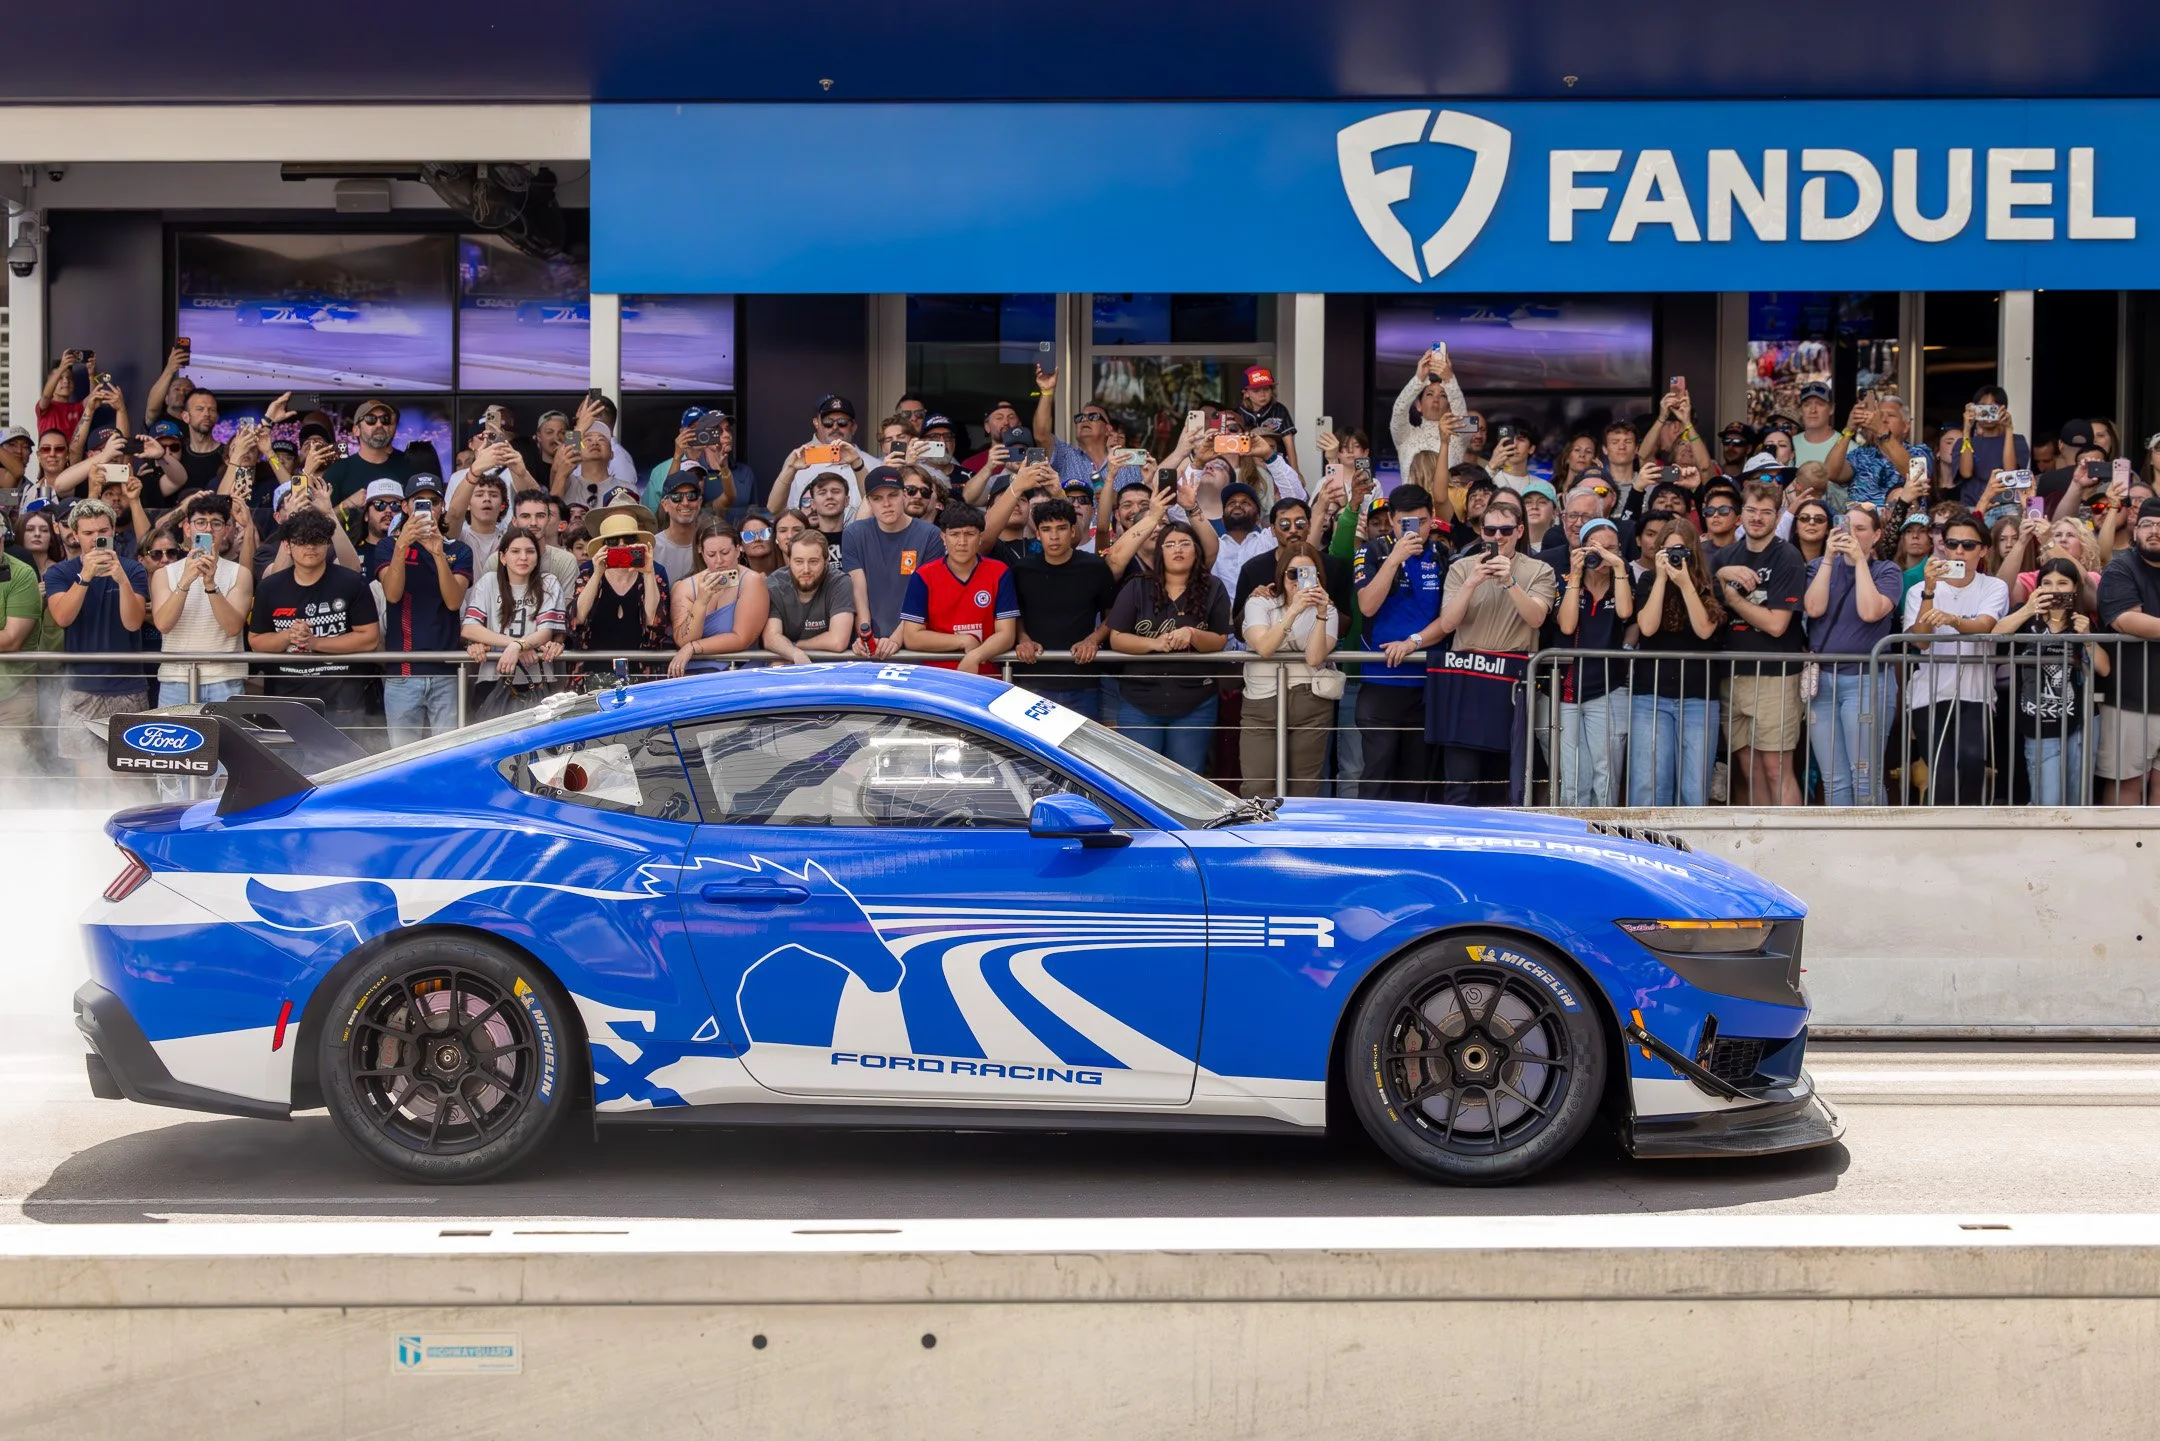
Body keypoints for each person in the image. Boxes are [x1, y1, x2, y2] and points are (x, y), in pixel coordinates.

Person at [1425, 496, 1555, 805]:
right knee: (1461, 781)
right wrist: (1471, 583)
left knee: (1504, 782)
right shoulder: (1461, 568)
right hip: (1466, 677)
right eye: (1490, 531)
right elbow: (1447, 623)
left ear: (1520, 531)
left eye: (1505, 531)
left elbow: (1536, 617)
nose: (1497, 538)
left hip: (1508, 681)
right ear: (1481, 532)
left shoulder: (1540, 570)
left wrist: (1509, 582)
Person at [1901, 510, 2011, 804]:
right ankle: (1941, 839)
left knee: (1973, 761)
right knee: (1942, 770)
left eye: (1969, 545)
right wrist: (1929, 591)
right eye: (1952, 544)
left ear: (1984, 550)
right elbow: (1921, 642)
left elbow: (1985, 625)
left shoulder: (1994, 586)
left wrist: (1952, 620)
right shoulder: (1918, 590)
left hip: (1975, 693)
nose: (1959, 551)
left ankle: (1969, 835)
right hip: (1930, 692)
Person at [1712, 481, 1810, 806]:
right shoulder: (1725, 557)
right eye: (1751, 510)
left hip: (1774, 675)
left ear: (1778, 515)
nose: (1757, 518)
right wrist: (1721, 574)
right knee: (1747, 769)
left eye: (1766, 512)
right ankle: (1758, 850)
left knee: (1775, 768)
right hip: (1731, 673)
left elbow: (1776, 624)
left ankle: (1791, 847)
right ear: (1740, 514)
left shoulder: (1788, 556)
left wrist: (1733, 598)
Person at [1107, 519, 1232, 768]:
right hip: (1139, 700)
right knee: (1138, 778)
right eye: (1170, 544)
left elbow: (1220, 639)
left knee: (1187, 779)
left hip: (1194, 701)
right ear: (1159, 551)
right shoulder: (1137, 585)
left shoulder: (1213, 587)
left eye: (1185, 543)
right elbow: (1116, 638)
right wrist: (1155, 644)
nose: (1178, 549)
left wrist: (1192, 634)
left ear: (1196, 550)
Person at [247, 508, 382, 734]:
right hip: (284, 699)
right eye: (302, 540)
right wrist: (288, 635)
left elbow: (369, 638)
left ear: (328, 543)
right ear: (287, 546)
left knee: (343, 766)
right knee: (284, 766)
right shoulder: (269, 587)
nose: (310, 546)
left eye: (317, 539)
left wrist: (314, 643)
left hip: (342, 703)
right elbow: (256, 641)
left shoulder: (350, 582)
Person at [41, 499, 150, 778]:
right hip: (80, 689)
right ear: (75, 535)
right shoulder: (59, 572)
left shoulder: (133, 569)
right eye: (88, 533)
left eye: (102, 531)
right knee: (88, 780)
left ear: (113, 530)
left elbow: (133, 622)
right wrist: (85, 577)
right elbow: (62, 617)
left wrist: (122, 580)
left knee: (127, 779)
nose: (95, 539)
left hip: (127, 688)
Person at [1803, 506, 1902, 805]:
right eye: (1848, 527)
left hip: (1865, 682)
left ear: (1877, 535)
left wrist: (1860, 561)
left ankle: (1874, 848)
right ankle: (1840, 851)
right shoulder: (1820, 566)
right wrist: (1830, 559)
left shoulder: (1886, 570)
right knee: (1834, 778)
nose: (1852, 534)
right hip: (1823, 683)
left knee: (1865, 777)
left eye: (1861, 529)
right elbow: (1814, 609)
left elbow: (1870, 611)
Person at [1354, 484, 1447, 802]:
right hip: (1381, 683)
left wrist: (1413, 642)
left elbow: (1448, 620)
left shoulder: (1441, 555)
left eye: (1421, 522)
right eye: (1405, 522)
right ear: (1392, 520)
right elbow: (1367, 605)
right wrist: (1394, 560)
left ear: (1432, 519)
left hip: (1427, 685)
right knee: (1376, 777)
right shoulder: (1372, 550)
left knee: (1415, 781)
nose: (1414, 530)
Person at [1991, 557, 2108, 806]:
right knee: (2048, 800)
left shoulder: (2082, 621)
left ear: (2075, 588)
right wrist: (2027, 610)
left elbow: (2104, 668)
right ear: (2038, 587)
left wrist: (2087, 637)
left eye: (2063, 583)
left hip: (2080, 721)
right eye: (2047, 583)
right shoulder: (2025, 617)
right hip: (2038, 721)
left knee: (2078, 798)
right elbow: (1994, 635)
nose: (2055, 588)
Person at [367, 474, 473, 748]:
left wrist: (437, 553)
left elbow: (453, 602)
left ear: (442, 508)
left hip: (446, 672)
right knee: (402, 759)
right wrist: (402, 544)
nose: (427, 508)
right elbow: (392, 593)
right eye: (418, 501)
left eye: (433, 501)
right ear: (405, 507)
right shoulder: (388, 546)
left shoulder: (458, 549)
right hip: (403, 673)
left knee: (447, 756)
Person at [1628, 517, 1726, 806]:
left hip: (1698, 697)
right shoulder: (1648, 580)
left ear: (1693, 552)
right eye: (1668, 551)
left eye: (1681, 551)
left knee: (1694, 787)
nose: (1674, 557)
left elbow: (1704, 630)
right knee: (1649, 785)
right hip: (1651, 696)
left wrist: (1686, 584)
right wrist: (1660, 578)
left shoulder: (1710, 584)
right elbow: (1646, 628)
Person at [1238, 542, 1339, 796]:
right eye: (1293, 573)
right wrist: (1293, 610)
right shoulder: (1260, 603)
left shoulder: (1328, 609)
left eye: (1308, 573)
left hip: (1310, 701)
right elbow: (1264, 647)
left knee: (1304, 787)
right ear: (1281, 575)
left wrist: (1321, 612)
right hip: (1260, 701)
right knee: (1257, 786)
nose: (1299, 580)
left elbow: (1315, 658)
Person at [1010, 497, 1119, 720]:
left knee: (1082, 752)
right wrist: (1023, 639)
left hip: (1083, 678)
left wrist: (1093, 639)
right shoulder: (1022, 569)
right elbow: (1014, 614)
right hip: (1032, 678)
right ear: (1038, 534)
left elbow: (1114, 614)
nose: (1054, 536)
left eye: (1061, 528)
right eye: (1046, 529)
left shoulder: (1094, 567)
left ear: (1072, 531)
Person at [1552, 517, 1634, 806]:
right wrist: (1576, 576)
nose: (1601, 555)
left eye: (1610, 548)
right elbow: (1566, 625)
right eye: (1595, 548)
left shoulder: (1622, 577)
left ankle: (1605, 835)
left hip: (1608, 687)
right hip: (1568, 691)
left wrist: (1618, 566)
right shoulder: (1565, 579)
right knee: (1574, 774)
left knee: (1606, 770)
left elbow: (1625, 612)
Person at [149, 493, 254, 709]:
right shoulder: (164, 574)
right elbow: (163, 624)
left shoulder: (240, 573)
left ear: (226, 530)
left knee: (227, 743)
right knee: (175, 742)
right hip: (175, 680)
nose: (208, 529)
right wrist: (185, 582)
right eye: (200, 522)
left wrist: (210, 584)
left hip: (224, 679)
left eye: (216, 523)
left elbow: (233, 627)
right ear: (187, 528)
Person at [898, 503, 1019, 674]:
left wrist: (975, 656)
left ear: (981, 536)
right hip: (936, 677)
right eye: (954, 534)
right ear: (943, 537)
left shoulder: (999, 572)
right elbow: (912, 637)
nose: (962, 542)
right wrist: (962, 640)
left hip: (987, 675)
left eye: (969, 534)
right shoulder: (924, 576)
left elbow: (1006, 635)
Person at [843, 466, 946, 660]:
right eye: (877, 498)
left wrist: (897, 639)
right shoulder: (854, 533)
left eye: (893, 495)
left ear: (904, 496)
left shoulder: (930, 535)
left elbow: (925, 595)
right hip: (868, 644)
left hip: (914, 644)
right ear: (868, 502)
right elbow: (858, 590)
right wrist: (866, 635)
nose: (887, 504)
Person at [2096, 497, 2160, 804]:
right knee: (2127, 785)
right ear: (2135, 531)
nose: (2154, 531)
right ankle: (2117, 854)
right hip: (2130, 699)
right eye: (2147, 524)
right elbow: (2126, 620)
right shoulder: (2121, 568)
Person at [461, 527, 566, 710]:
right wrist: (516, 645)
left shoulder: (548, 582)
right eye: (515, 551)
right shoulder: (489, 582)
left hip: (537, 681)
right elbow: (469, 628)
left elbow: (546, 632)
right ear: (503, 557)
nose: (523, 557)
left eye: (530, 551)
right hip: (493, 680)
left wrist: (517, 647)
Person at [573, 505, 672, 671]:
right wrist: (598, 573)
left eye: (629, 539)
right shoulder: (588, 571)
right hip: (594, 671)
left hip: (641, 673)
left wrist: (648, 573)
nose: (621, 545)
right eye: (613, 541)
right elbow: (579, 618)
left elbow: (653, 622)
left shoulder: (655, 573)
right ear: (603, 546)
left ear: (638, 542)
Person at [668, 524, 768, 677]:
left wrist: (694, 647)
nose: (719, 560)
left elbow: (742, 638)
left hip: (739, 671)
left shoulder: (751, 580)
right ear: (701, 553)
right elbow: (683, 640)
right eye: (711, 554)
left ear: (738, 549)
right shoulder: (685, 586)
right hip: (693, 673)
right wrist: (701, 602)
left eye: (725, 552)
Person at [762, 530, 856, 664]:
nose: (806, 569)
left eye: (813, 561)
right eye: (799, 561)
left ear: (826, 561)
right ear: (789, 561)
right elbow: (771, 637)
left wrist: (796, 646)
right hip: (788, 662)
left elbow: (838, 641)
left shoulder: (839, 582)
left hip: (831, 666)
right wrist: (795, 654)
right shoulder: (774, 584)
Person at [767, 394, 869, 513]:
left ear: (853, 426)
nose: (835, 427)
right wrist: (790, 468)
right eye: (827, 422)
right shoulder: (801, 459)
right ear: (817, 423)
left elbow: (875, 505)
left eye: (842, 422)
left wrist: (858, 464)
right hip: (809, 530)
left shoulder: (869, 463)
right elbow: (773, 509)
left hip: (854, 530)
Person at [1389, 348, 1471, 482]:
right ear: (1419, 405)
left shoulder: (1458, 437)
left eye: (1443, 395)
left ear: (1450, 407)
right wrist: (1419, 379)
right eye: (1429, 394)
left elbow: (1461, 414)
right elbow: (1399, 410)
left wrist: (1450, 380)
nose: (1436, 399)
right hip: (1410, 502)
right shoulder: (1405, 436)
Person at [326, 397, 414, 512]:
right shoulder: (337, 472)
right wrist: (347, 504)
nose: (379, 424)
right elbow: (323, 522)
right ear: (356, 430)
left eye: (385, 419)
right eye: (370, 419)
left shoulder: (409, 468)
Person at [1953, 385, 2031, 509]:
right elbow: (1966, 473)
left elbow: (2010, 473)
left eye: (1992, 408)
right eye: (1982, 408)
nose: (1987, 413)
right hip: (1972, 506)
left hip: (2005, 507)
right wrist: (1967, 429)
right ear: (1974, 409)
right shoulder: (1963, 443)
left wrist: (2009, 428)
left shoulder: (2017, 440)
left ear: (2003, 409)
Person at [651, 473, 707, 581]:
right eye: (676, 497)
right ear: (665, 505)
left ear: (699, 502)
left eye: (692, 496)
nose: (685, 503)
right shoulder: (653, 547)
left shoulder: (711, 544)